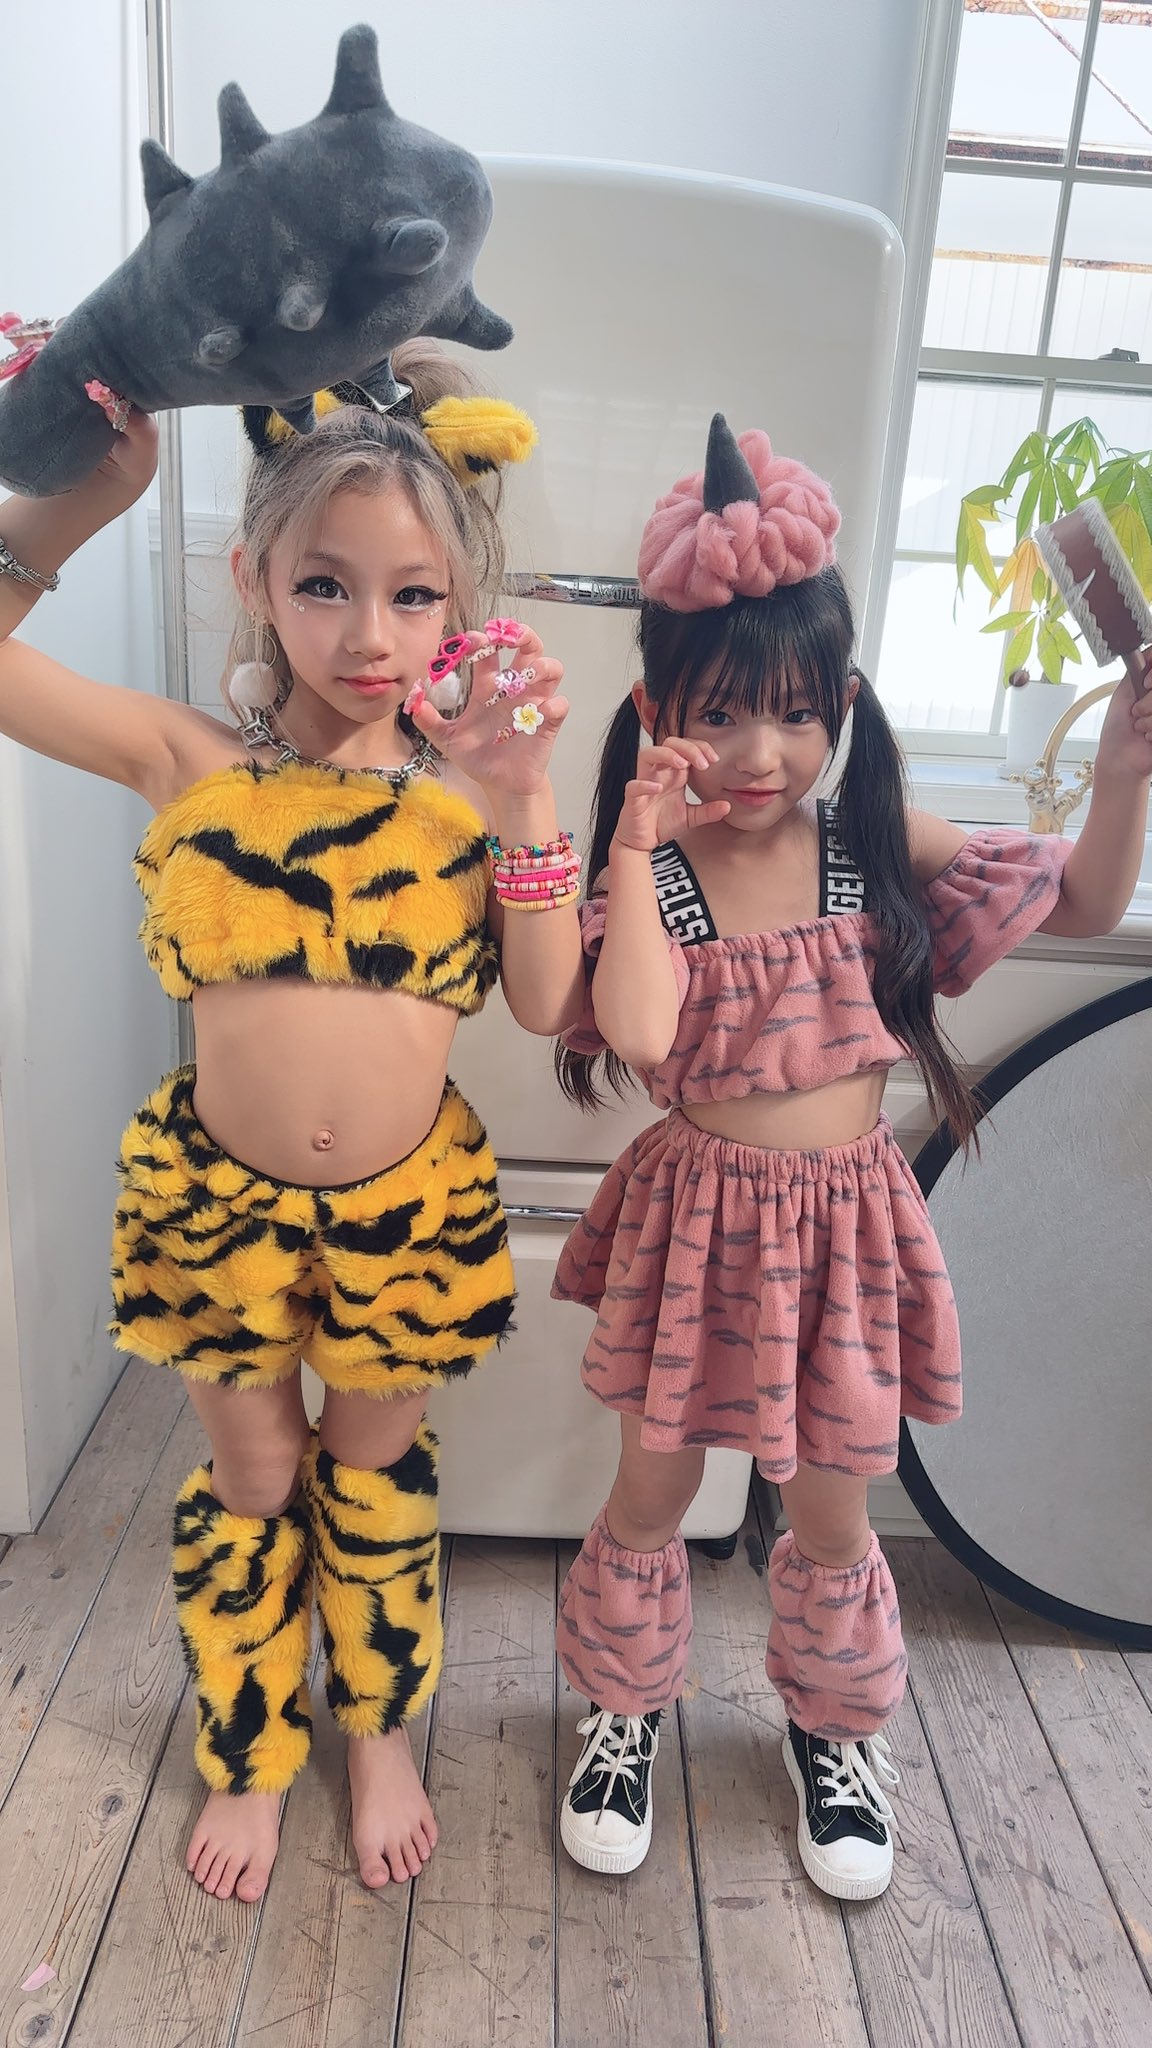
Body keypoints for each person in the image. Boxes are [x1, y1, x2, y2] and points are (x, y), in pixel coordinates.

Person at [0, 344, 583, 1904]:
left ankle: (377, 1729)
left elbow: (546, 1002)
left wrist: (528, 799)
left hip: (409, 1218)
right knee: (256, 1486)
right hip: (218, 1218)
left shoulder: (470, 800)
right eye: (325, 586)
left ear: (463, 607)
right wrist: (76, 504)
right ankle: (250, 1747)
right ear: (255, 580)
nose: (368, 635)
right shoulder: (193, 762)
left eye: (412, 595)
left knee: (375, 1484)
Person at [551, 414, 1152, 1899]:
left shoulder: (872, 846)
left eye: (797, 713)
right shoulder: (658, 875)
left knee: (831, 1510)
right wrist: (630, 846)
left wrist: (1126, 769)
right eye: (719, 714)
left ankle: (834, 1731)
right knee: (651, 1492)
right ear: (655, 707)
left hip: (845, 1232)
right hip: (696, 1224)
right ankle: (622, 1712)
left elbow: (1084, 903)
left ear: (847, 705)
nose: (761, 753)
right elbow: (637, 1031)